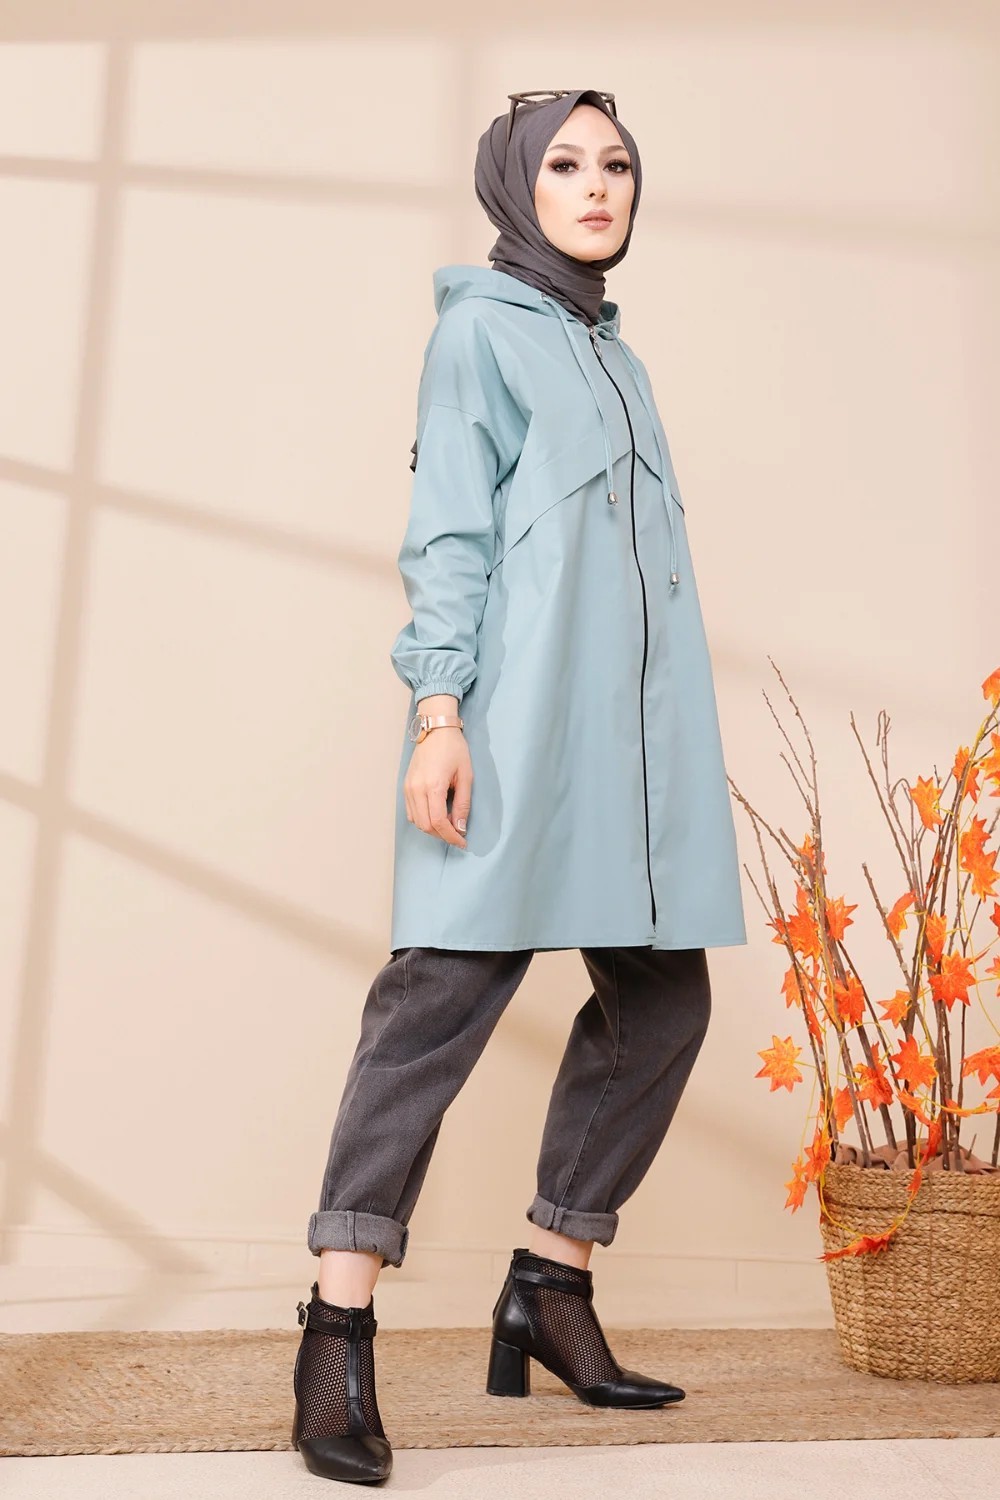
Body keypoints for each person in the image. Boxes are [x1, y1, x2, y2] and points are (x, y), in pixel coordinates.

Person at [290, 88, 747, 1485]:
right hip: (513, 729)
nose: (596, 186)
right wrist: (440, 712)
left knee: (663, 1001)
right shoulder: (478, 334)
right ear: (515, 186)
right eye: (565, 163)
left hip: (634, 752)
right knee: (431, 1011)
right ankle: (335, 1333)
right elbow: (449, 536)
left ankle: (550, 1283)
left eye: (616, 164)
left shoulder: (616, 351)